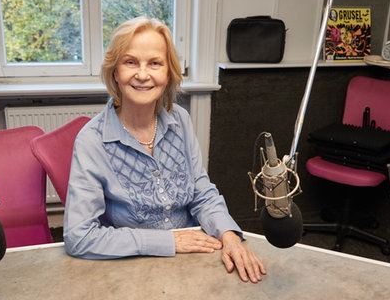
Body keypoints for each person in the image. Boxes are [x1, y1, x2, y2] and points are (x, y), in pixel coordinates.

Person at [63, 16, 266, 283]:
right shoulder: (91, 141)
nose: (143, 74)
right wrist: (167, 241)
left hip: (193, 259)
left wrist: (228, 236)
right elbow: (80, 237)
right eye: (130, 62)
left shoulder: (180, 120)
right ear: (115, 71)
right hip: (128, 269)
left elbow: (201, 193)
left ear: (168, 72)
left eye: (155, 63)